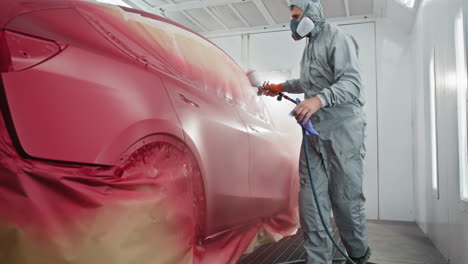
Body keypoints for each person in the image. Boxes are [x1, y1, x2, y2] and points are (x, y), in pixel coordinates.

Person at [260, 0, 371, 263]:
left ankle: (359, 256)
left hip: (343, 128)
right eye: (293, 18)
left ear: (312, 14)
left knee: (345, 199)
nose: (294, 23)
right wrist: (280, 86)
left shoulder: (338, 38)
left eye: (297, 16)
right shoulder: (310, 47)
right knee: (310, 201)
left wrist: (318, 100)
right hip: (314, 131)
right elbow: (308, 82)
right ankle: (317, 259)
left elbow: (352, 83)